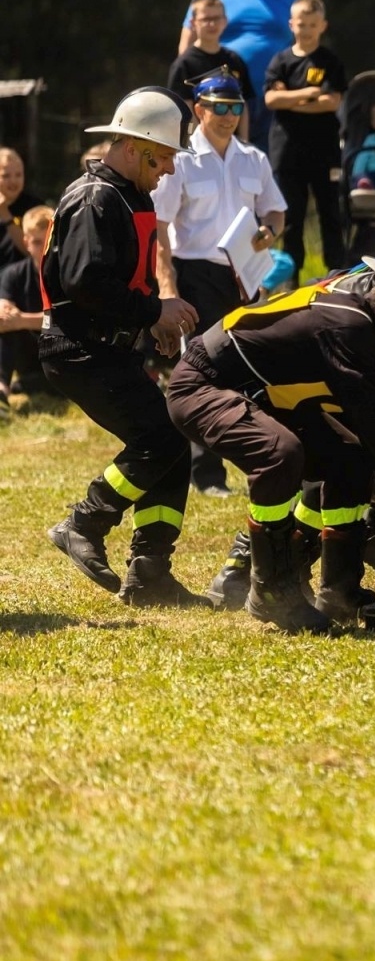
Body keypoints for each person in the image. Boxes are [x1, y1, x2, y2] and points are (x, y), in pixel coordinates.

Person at [167, 248, 375, 630]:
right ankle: (271, 589)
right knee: (280, 453)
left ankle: (339, 591)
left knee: (349, 458)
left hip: (260, 392)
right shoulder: (347, 327)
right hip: (203, 385)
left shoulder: (374, 333)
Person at [39, 88, 203, 607]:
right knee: (159, 438)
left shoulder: (132, 194)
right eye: (166, 157)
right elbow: (85, 281)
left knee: (172, 442)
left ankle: (150, 572)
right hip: (79, 349)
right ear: (134, 146)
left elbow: (125, 279)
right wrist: (155, 312)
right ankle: (83, 522)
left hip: (109, 347)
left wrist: (151, 319)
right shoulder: (95, 198)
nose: (171, 170)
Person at [153, 71, 287, 498]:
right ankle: (206, 474)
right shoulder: (182, 160)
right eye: (219, 108)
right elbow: (160, 229)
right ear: (199, 110)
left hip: (244, 275)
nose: (229, 116)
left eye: (236, 108)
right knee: (201, 372)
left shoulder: (254, 159)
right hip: (196, 274)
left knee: (249, 369)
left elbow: (276, 213)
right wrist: (167, 287)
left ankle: (257, 460)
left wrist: (268, 234)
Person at [178, 0, 297, 151]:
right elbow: (187, 43)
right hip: (221, 98)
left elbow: (301, 43)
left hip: (275, 98)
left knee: (271, 167)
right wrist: (190, 90)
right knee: (220, 160)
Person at [263, 0, 346, 276]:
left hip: (324, 152)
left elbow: (332, 102)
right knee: (291, 218)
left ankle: (336, 274)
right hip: (287, 153)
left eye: (312, 24)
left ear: (323, 25)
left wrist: (291, 100)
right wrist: (309, 94)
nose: (307, 29)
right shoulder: (281, 60)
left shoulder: (330, 61)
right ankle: (289, 277)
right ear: (291, 24)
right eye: (301, 24)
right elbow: (272, 100)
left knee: (331, 215)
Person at [167, 0, 255, 139]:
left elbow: (242, 106)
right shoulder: (184, 64)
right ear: (193, 23)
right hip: (198, 148)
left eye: (216, 18)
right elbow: (184, 109)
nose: (212, 24)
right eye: (206, 19)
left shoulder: (234, 60)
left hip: (232, 145)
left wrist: (244, 142)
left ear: (225, 21)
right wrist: (200, 144)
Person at [0, 205, 53, 411]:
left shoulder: (68, 276)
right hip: (26, 350)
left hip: (61, 349)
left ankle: (28, 384)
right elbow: (4, 312)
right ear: (26, 243)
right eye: (38, 242)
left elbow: (66, 319)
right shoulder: (13, 274)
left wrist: (21, 319)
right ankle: (2, 387)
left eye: (48, 241)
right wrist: (10, 316)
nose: (43, 250)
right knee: (5, 327)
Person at [0, 148, 47, 270]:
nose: (13, 181)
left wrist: (5, 214)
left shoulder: (35, 206)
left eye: (18, 175)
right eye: (6, 176)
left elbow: (36, 249)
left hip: (24, 280)